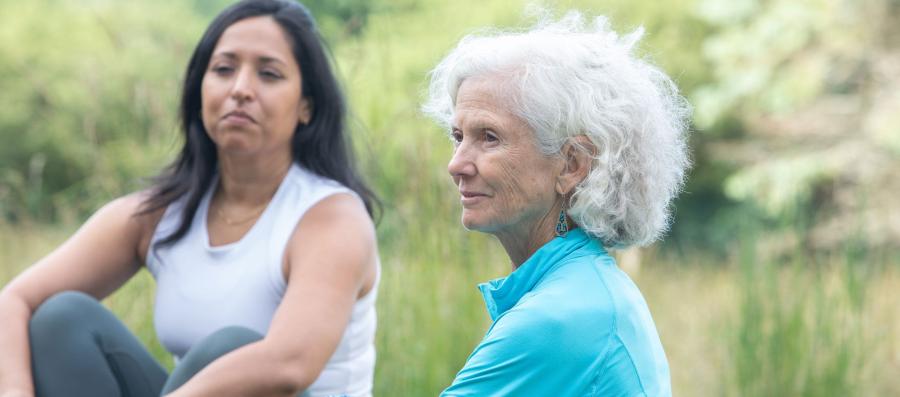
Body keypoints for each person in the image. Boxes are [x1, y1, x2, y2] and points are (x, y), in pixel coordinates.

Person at [0, 1, 379, 396]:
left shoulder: (332, 218)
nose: (240, 89)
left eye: (268, 74)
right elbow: (14, 301)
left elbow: (289, 365)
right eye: (223, 69)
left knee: (230, 347)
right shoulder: (159, 214)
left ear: (307, 106)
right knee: (62, 317)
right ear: (200, 89)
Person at [423, 11, 690, 396]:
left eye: (489, 137)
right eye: (457, 135)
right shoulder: (586, 289)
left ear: (572, 165)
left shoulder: (559, 319)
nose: (456, 164)